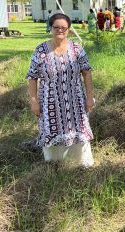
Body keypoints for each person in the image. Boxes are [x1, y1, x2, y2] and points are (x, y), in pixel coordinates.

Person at [27, 13, 96, 167]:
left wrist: (90, 97)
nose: (60, 30)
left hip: (75, 101)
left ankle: (81, 164)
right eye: (56, 27)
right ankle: (55, 165)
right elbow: (32, 77)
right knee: (51, 130)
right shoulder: (41, 51)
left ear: (69, 30)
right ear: (50, 28)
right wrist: (34, 102)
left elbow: (87, 72)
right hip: (49, 102)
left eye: (64, 28)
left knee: (79, 129)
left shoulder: (76, 48)